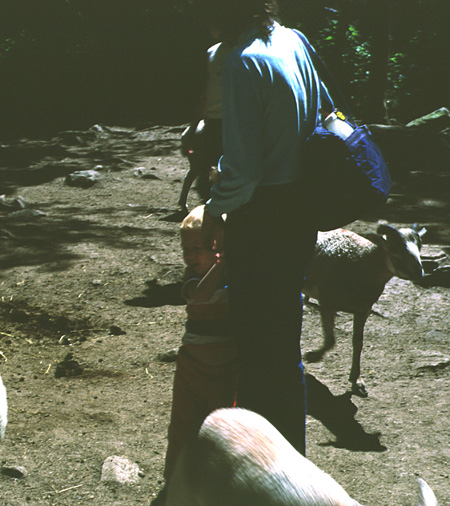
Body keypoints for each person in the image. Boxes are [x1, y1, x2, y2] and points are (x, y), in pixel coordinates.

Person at [199, 0, 332, 454]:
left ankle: (258, 468)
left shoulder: (240, 63)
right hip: (301, 209)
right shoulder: (294, 41)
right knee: (283, 346)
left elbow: (244, 167)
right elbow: (325, 115)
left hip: (262, 216)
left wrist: (216, 210)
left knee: (256, 349)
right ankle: (292, 454)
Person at [163, 204, 238, 480]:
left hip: (228, 364)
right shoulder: (193, 278)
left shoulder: (233, 276)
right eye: (186, 249)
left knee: (220, 423)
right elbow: (201, 294)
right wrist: (222, 264)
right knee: (184, 422)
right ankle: (175, 478)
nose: (191, 255)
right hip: (193, 364)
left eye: (199, 248)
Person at [178, 38, 229, 212]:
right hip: (214, 122)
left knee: (200, 169)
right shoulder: (213, 52)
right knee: (208, 169)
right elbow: (205, 94)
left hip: (218, 121)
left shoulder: (243, 51)